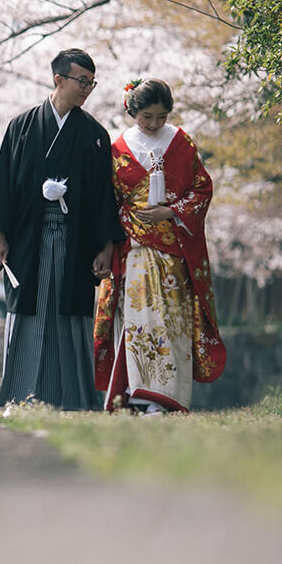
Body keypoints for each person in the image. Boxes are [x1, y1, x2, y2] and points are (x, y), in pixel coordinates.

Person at [0, 48, 126, 410]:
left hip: (75, 241)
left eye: (92, 82)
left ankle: (72, 400)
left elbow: (104, 197)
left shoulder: (94, 135)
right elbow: (4, 185)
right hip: (29, 239)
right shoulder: (22, 127)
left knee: (69, 315)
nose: (87, 88)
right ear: (58, 80)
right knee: (28, 312)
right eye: (81, 81)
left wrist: (106, 246)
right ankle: (21, 398)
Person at [93, 78, 226, 414]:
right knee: (139, 321)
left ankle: (169, 399)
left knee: (174, 323)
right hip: (134, 251)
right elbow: (107, 202)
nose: (153, 124)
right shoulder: (116, 149)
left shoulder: (182, 143)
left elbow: (201, 190)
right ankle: (139, 396)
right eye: (146, 117)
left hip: (174, 255)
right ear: (132, 110)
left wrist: (171, 210)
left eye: (161, 117)